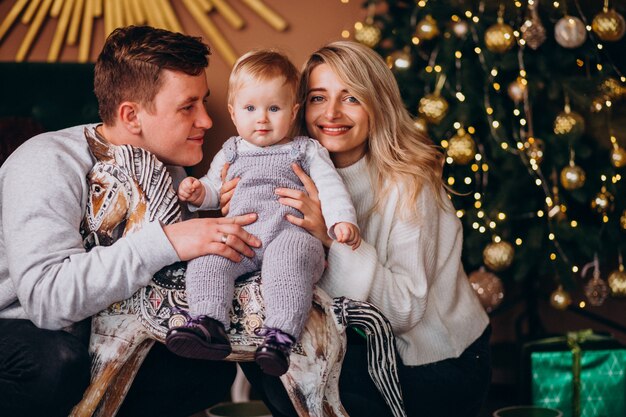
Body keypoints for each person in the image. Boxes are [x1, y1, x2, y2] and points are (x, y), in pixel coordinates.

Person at [0, 25, 262, 417]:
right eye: (188, 107)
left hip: (109, 329)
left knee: (205, 371)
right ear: (131, 115)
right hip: (23, 328)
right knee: (56, 365)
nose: (207, 121)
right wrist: (169, 241)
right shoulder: (45, 161)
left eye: (203, 103)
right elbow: (47, 301)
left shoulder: (168, 172)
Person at [238, 41, 492, 417]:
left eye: (351, 98)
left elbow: (404, 311)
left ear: (378, 105)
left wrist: (330, 237)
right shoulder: (295, 171)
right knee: (263, 350)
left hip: (433, 360)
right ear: (299, 108)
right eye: (318, 98)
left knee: (298, 373)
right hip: (355, 342)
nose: (332, 113)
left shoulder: (411, 184)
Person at [165, 49, 361, 377]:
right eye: (250, 108)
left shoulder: (305, 149)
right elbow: (216, 187)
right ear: (233, 111)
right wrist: (198, 193)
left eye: (274, 108)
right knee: (208, 257)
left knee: (290, 264)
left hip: (290, 232)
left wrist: (342, 221)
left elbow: (331, 188)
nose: (262, 119)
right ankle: (207, 323)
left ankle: (281, 336)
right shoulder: (232, 149)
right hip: (243, 236)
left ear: (293, 110)